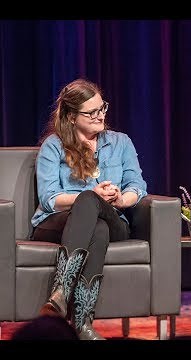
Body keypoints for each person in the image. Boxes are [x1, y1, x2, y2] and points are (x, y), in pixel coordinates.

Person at [30, 78, 147, 340]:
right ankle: (83, 325)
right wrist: (89, 195)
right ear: (71, 117)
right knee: (95, 221)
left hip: (115, 218)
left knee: (98, 212)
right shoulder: (54, 145)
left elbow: (137, 185)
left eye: (102, 108)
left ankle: (61, 291)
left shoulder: (120, 142)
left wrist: (120, 199)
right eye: (91, 112)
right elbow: (49, 198)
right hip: (59, 222)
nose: (100, 115)